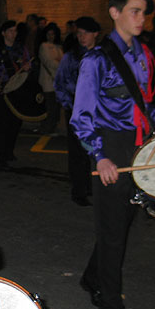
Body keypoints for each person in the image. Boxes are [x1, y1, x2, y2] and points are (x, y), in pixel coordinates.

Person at [70, 0, 155, 309]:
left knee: (122, 223)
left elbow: (143, 102)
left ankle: (91, 277)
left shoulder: (144, 54)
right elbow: (81, 116)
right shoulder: (96, 59)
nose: (141, 18)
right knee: (114, 236)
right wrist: (99, 156)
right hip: (110, 148)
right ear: (115, 12)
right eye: (135, 11)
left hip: (139, 147)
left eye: (144, 12)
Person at [54, 16, 100, 206]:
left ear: (95, 34)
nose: (82, 37)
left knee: (96, 151)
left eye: (85, 33)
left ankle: (93, 186)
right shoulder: (71, 56)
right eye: (79, 33)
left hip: (98, 113)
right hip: (76, 110)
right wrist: (69, 105)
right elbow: (60, 82)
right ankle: (79, 190)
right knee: (77, 154)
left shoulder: (102, 56)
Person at [0, 20, 31, 168]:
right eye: (10, 31)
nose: (13, 34)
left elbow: (28, 64)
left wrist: (28, 67)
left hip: (18, 90)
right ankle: (1, 154)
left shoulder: (21, 48)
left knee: (16, 122)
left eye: (15, 31)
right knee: (3, 123)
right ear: (3, 33)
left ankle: (10, 151)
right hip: (3, 90)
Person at [37, 22, 64, 134]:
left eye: (52, 34)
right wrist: (60, 63)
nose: (51, 36)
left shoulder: (58, 46)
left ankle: (52, 127)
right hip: (48, 80)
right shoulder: (43, 46)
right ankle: (47, 128)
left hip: (57, 80)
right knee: (50, 106)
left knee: (56, 107)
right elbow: (49, 62)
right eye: (48, 34)